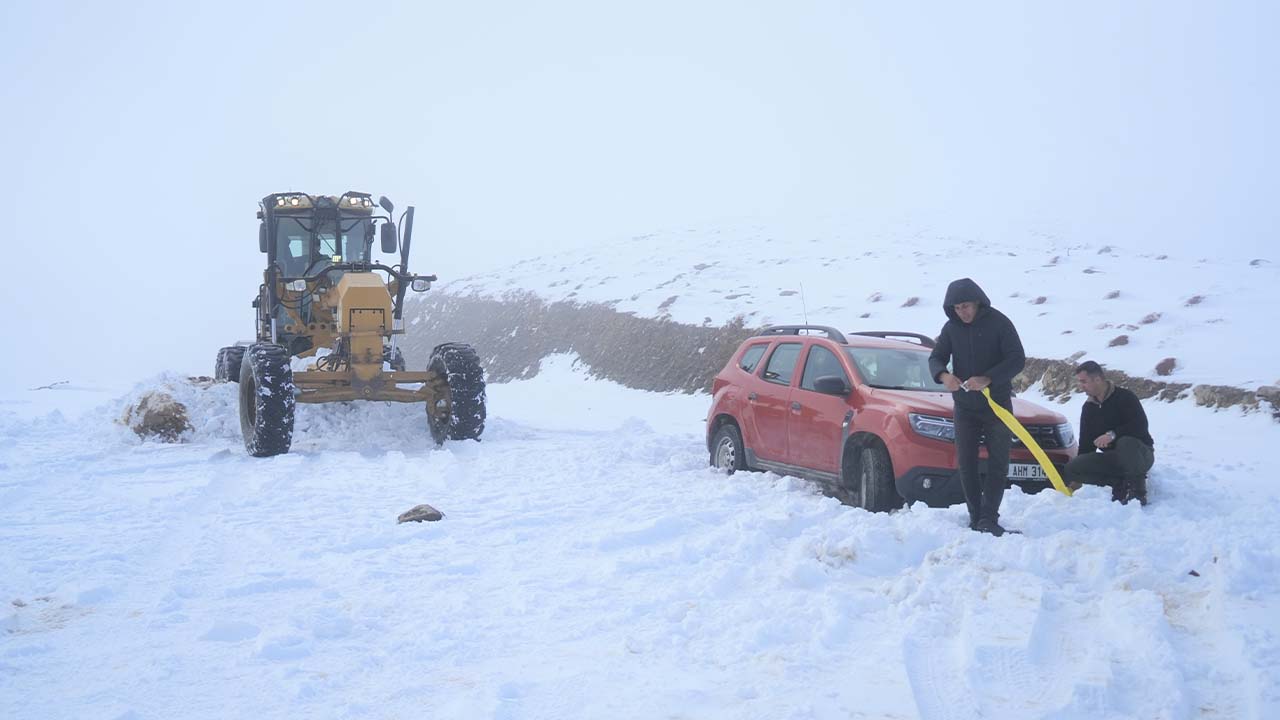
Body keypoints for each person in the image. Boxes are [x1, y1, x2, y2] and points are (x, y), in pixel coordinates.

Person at [928, 278, 1026, 536]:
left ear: (978, 302)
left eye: (967, 306)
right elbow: (936, 357)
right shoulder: (951, 328)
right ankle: (975, 516)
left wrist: (989, 378)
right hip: (965, 406)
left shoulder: (999, 323)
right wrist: (943, 376)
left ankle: (989, 517)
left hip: (997, 405)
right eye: (958, 308)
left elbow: (1017, 359)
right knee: (967, 462)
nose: (964, 312)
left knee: (998, 462)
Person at [1064, 361, 1155, 505]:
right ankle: (1119, 482)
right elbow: (1086, 446)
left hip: (1141, 455)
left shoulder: (1125, 397)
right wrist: (1078, 475)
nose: (1081, 386)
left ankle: (1138, 492)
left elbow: (1140, 426)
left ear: (1098, 379)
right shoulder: (1089, 408)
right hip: (1114, 460)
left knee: (1125, 442)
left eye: (1084, 382)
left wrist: (1112, 435)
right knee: (1072, 467)